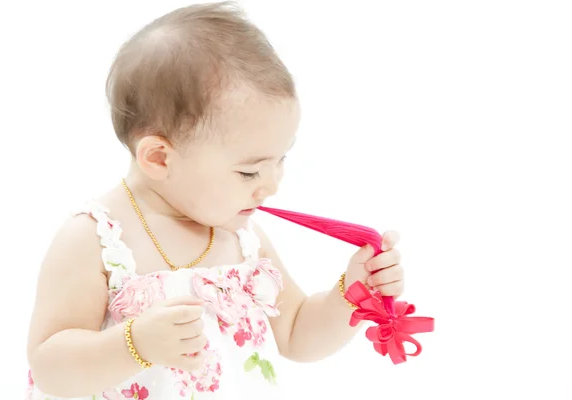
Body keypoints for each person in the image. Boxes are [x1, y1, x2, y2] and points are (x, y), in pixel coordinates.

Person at [25, 2, 404, 399]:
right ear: (158, 158)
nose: (272, 184)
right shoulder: (96, 240)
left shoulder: (241, 238)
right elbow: (50, 370)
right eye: (249, 171)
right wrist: (133, 344)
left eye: (281, 159)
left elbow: (296, 334)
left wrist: (351, 295)